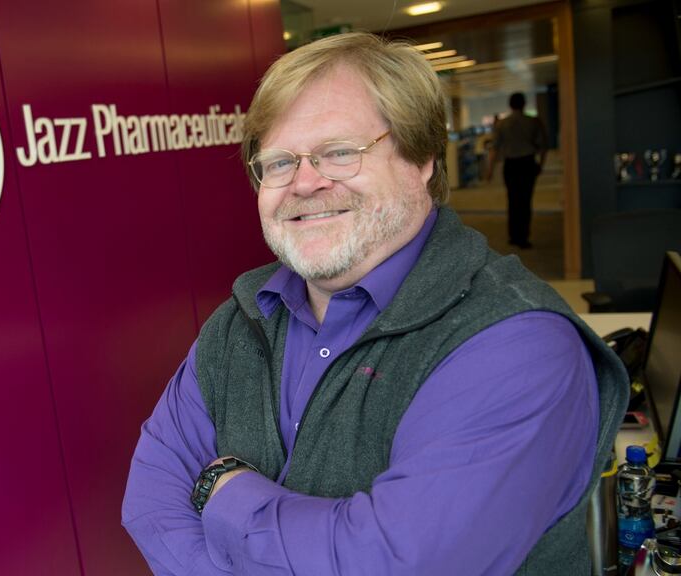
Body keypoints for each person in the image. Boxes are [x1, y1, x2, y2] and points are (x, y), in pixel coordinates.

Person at [122, 32, 628, 575]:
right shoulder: (241, 319)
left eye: (340, 153)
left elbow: (397, 564)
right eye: (278, 162)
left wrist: (223, 494)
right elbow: (150, 504)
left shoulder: (516, 343)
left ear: (424, 159)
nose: (305, 183)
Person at [487, 92, 548, 249]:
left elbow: (494, 149)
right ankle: (523, 237)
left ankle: (513, 235)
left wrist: (490, 170)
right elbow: (543, 147)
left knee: (513, 199)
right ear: (524, 104)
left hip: (511, 165)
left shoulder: (501, 124)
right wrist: (541, 164)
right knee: (525, 201)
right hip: (527, 163)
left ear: (510, 105)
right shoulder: (533, 122)